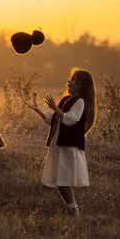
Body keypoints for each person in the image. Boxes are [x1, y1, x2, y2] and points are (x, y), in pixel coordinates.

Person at [28, 68, 97, 216]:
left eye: (73, 80)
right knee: (60, 180)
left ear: (81, 85)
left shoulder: (81, 102)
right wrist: (39, 110)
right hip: (58, 145)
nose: (69, 82)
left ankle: (73, 209)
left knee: (62, 180)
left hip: (68, 146)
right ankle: (72, 208)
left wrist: (55, 108)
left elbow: (70, 119)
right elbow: (54, 119)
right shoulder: (66, 100)